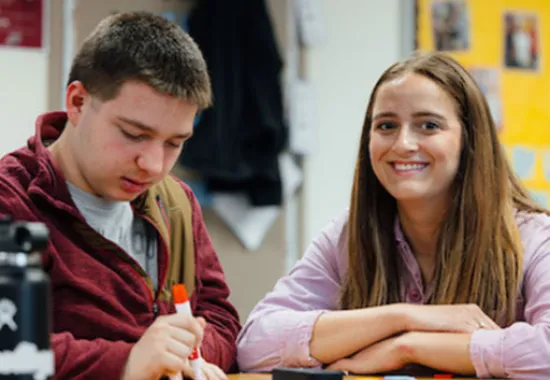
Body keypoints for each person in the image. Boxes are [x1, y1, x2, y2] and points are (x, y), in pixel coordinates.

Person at [236, 51, 550, 379]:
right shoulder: (347, 236)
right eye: (386, 125)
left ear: (470, 140)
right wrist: (404, 317)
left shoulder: (533, 237)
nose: (402, 144)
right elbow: (255, 344)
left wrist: (406, 347)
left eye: (428, 125)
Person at [0, 11, 241, 380]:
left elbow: (222, 321)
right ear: (78, 103)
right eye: (133, 134)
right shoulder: (11, 202)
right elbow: (7, 351)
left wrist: (186, 356)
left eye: (175, 143)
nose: (155, 166)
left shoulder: (177, 203)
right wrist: (128, 362)